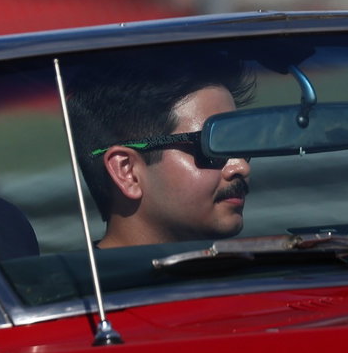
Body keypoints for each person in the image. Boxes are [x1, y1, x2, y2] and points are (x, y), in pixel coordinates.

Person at [66, 51, 255, 248]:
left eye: (238, 143)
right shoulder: (81, 279)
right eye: (212, 145)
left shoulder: (259, 272)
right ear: (127, 171)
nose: (241, 166)